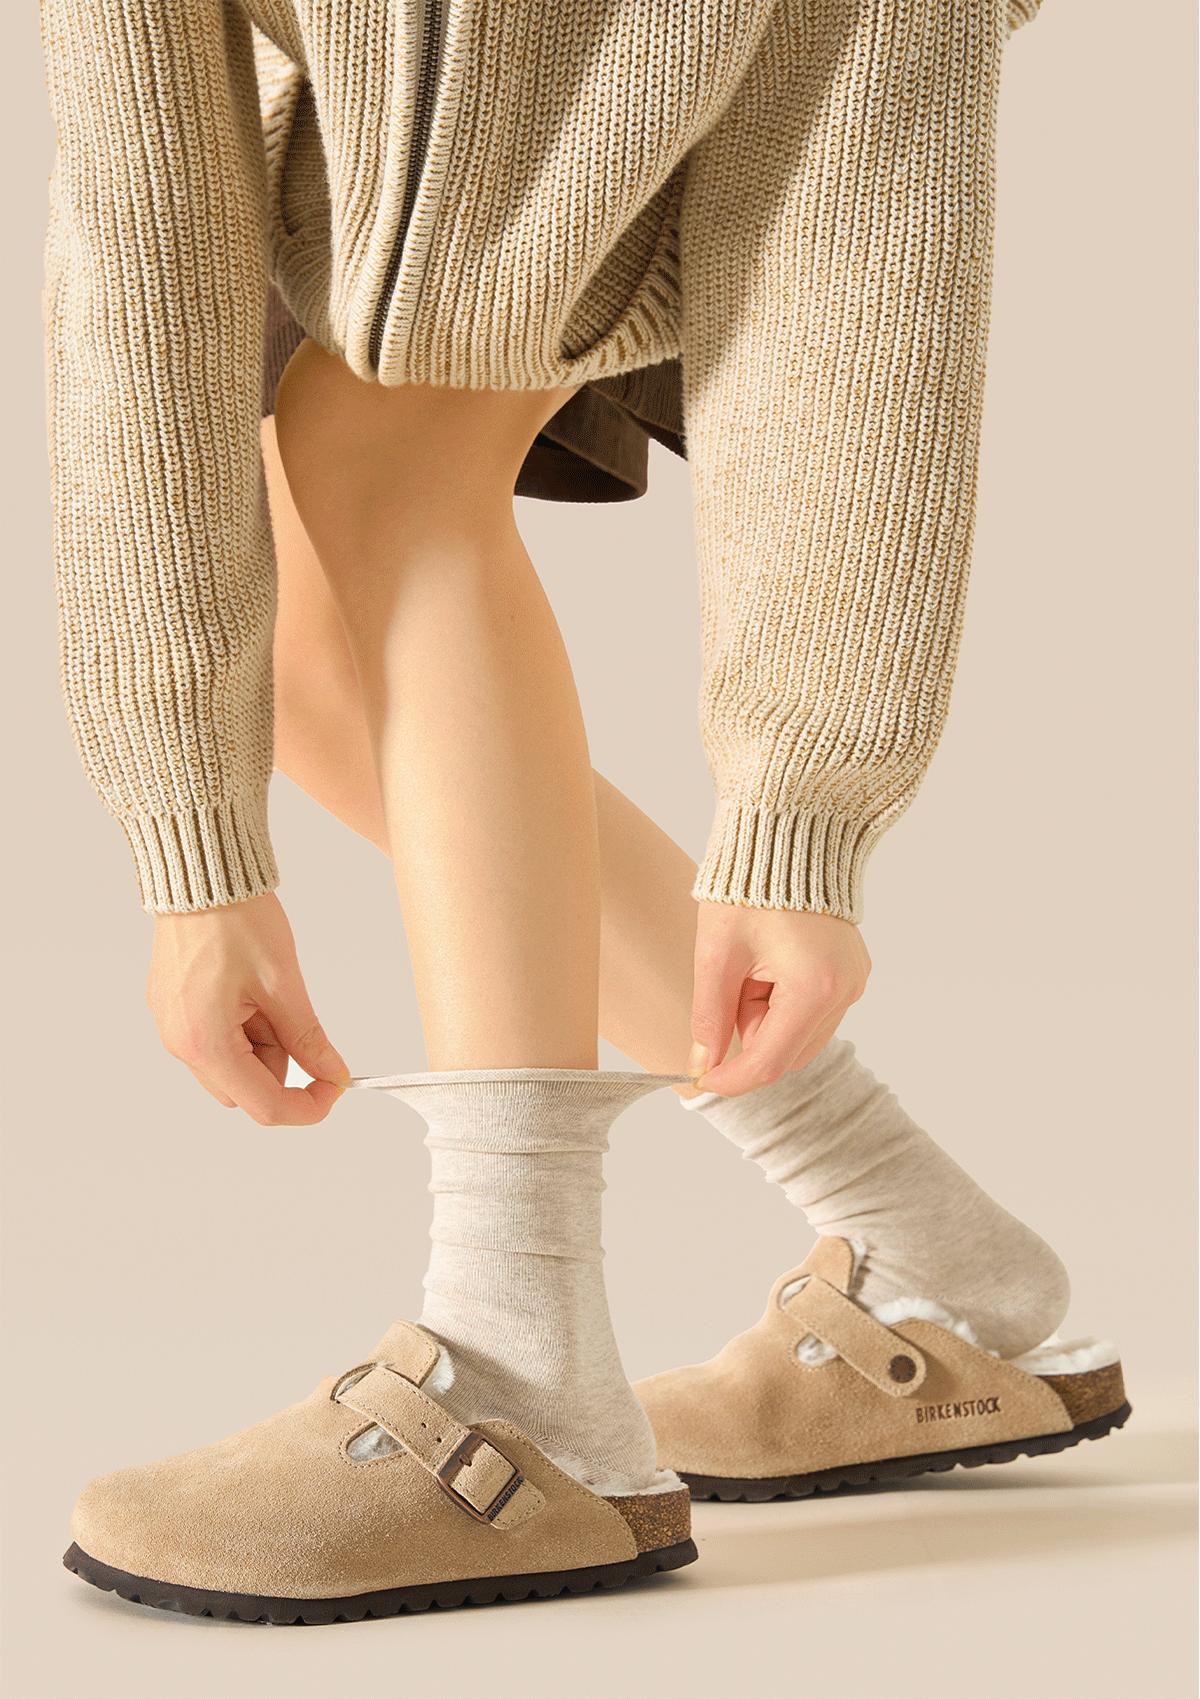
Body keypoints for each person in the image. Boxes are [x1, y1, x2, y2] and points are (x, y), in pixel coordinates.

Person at [42, 0, 1128, 1625]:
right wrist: (188, 849)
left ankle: (521, 1369)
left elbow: (859, 219)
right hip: (421, 138)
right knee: (314, 659)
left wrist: (802, 813)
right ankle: (944, 1265)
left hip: (696, 79)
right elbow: (141, 252)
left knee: (380, 463)